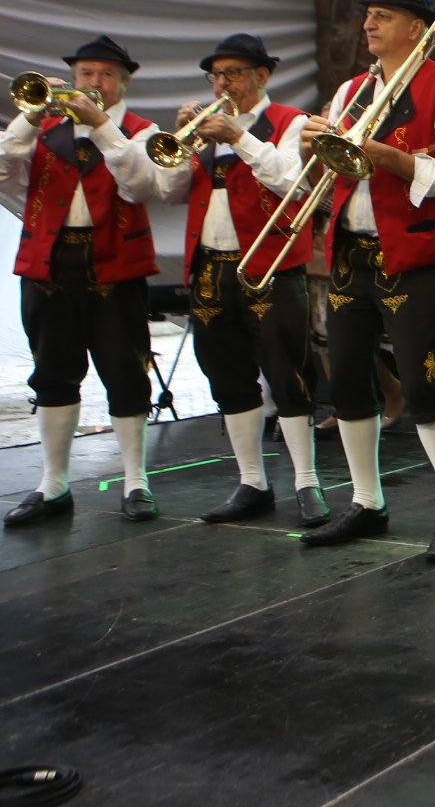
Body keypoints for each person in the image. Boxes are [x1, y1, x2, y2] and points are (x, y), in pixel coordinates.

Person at [299, 0, 435, 561]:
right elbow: (330, 180)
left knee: (426, 382)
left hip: (412, 256)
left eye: (382, 15)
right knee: (349, 381)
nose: (369, 24)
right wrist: (312, 145)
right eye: (368, 15)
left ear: (414, 27)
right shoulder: (351, 91)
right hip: (350, 251)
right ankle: (365, 501)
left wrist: (390, 158)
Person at [0, 36, 166, 526]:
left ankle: (135, 481)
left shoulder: (140, 132)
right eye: (85, 74)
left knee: (125, 370)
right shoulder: (42, 131)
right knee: (52, 371)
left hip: (115, 264)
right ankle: (53, 484)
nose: (92, 84)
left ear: (122, 82)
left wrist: (104, 127)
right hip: (50, 263)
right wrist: (29, 116)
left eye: (105, 75)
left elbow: (143, 184)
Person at [150, 33, 327, 527]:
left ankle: (308, 482)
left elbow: (294, 182)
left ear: (261, 76)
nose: (222, 84)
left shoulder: (291, 123)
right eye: (216, 76)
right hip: (210, 267)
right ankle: (252, 482)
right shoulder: (205, 131)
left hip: (270, 266)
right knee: (226, 377)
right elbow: (167, 190)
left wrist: (239, 138)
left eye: (233, 74)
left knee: (287, 373)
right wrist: (182, 140)